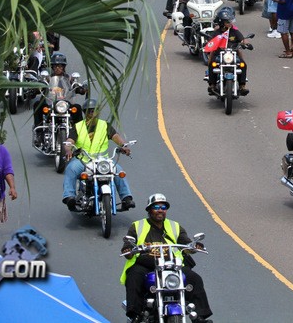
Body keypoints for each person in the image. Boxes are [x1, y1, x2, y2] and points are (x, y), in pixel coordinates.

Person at [121, 193, 213, 323]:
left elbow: (186, 244)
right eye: (156, 207)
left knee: (195, 278)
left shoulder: (175, 226)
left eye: (163, 207)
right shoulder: (137, 226)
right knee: (134, 276)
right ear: (149, 210)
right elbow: (128, 246)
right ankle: (135, 315)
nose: (160, 210)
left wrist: (194, 246)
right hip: (146, 265)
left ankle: (199, 317)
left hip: (172, 265)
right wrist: (128, 250)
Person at [62, 98, 135, 212]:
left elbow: (115, 136)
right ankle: (69, 197)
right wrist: (68, 150)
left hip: (103, 161)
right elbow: (70, 141)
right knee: (71, 169)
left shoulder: (104, 125)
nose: (92, 113)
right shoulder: (78, 126)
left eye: (94, 110)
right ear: (85, 113)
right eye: (89, 111)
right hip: (83, 161)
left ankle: (126, 198)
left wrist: (123, 145)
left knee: (118, 170)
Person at [32, 51, 86, 143]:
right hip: (50, 104)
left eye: (60, 66)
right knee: (37, 104)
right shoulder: (48, 78)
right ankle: (39, 133)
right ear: (52, 67)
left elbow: (75, 86)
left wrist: (80, 89)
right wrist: (37, 88)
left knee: (77, 108)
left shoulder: (69, 79)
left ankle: (80, 134)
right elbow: (40, 85)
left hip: (65, 104)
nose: (58, 68)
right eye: (55, 66)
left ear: (64, 67)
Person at [205, 7, 249, 96]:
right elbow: (211, 41)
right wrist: (207, 44)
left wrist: (246, 43)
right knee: (212, 64)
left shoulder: (234, 31)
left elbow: (243, 39)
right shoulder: (216, 33)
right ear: (222, 22)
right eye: (228, 22)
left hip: (232, 55)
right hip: (219, 55)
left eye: (230, 21)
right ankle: (212, 85)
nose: (230, 23)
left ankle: (242, 86)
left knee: (243, 64)